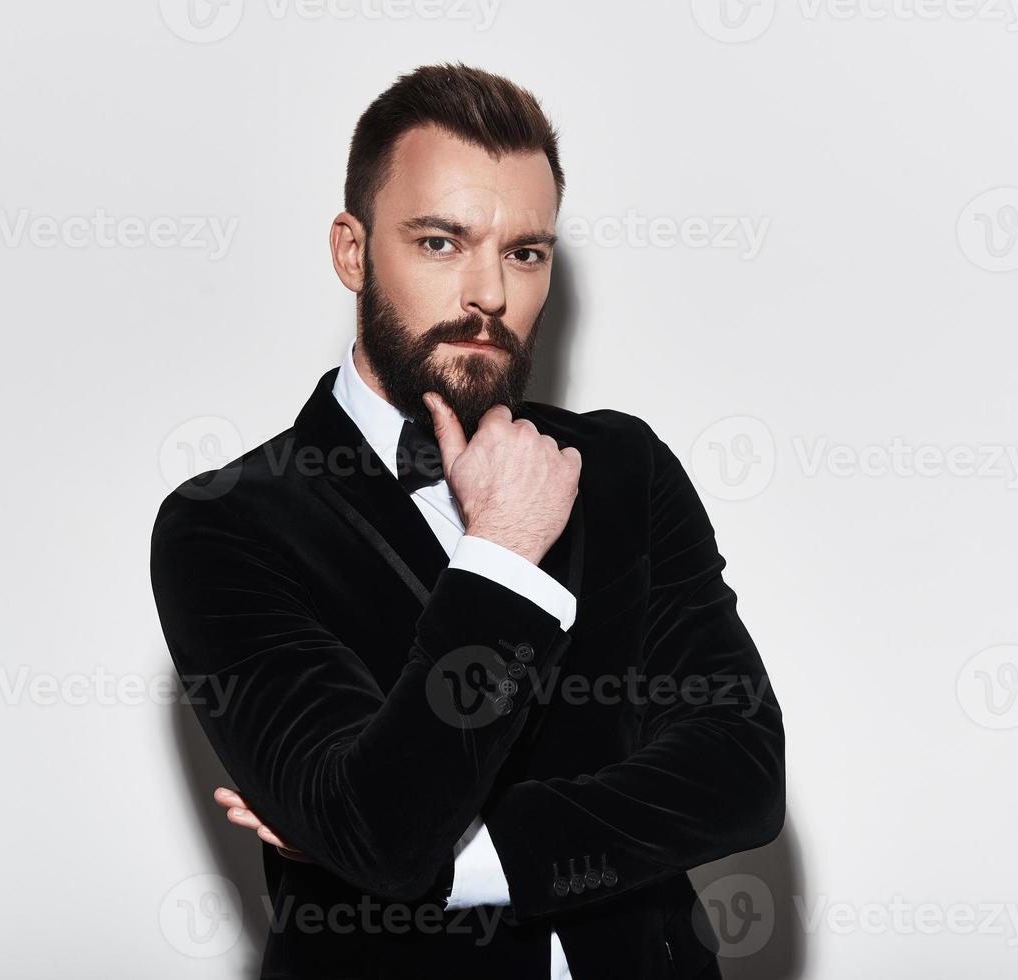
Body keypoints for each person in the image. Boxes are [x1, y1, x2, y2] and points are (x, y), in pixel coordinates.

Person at [150, 61, 785, 979]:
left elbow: (740, 775)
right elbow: (383, 829)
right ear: (352, 251)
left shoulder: (622, 468)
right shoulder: (226, 525)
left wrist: (457, 865)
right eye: (441, 242)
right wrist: (501, 554)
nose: (487, 291)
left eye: (524, 251)